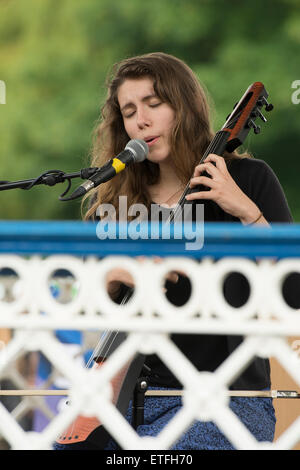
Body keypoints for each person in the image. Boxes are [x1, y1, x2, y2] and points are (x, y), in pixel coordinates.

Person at [55, 52, 293, 450]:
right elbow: (81, 308)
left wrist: (246, 212)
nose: (141, 121)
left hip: (225, 401)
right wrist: (113, 276)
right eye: (129, 111)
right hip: (122, 398)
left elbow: (294, 291)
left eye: (154, 104)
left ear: (184, 108)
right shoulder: (114, 203)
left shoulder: (248, 181)